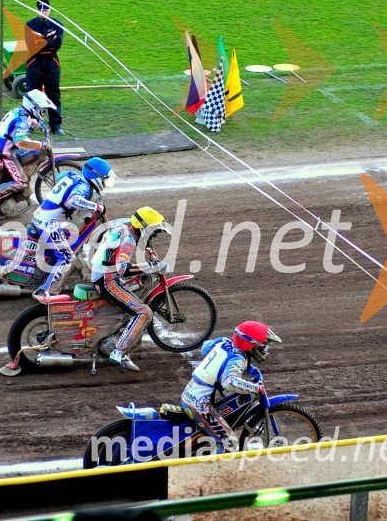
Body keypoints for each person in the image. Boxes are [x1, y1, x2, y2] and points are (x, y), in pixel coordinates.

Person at [89, 207, 171, 372]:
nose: (152, 235)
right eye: (152, 232)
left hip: (101, 272)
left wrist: (148, 250)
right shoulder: (128, 240)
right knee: (144, 312)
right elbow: (123, 269)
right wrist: (150, 266)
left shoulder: (125, 226)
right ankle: (118, 352)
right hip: (107, 280)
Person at [181, 321, 282, 453]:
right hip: (198, 403)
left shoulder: (223, 342)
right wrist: (255, 388)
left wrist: (250, 369)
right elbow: (229, 382)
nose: (265, 349)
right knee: (229, 442)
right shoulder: (238, 359)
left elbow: (205, 348)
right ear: (251, 346)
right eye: (262, 345)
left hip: (190, 394)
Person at [29, 157, 117, 297]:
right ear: (97, 177)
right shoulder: (84, 187)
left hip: (43, 217)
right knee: (66, 257)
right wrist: (96, 207)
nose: (105, 184)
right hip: (49, 223)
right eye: (104, 180)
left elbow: (61, 176)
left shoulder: (73, 176)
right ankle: (47, 292)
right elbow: (74, 200)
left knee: (68, 239)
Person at [0, 89, 56, 216]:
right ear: (33, 108)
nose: (43, 112)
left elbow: (24, 124)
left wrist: (37, 124)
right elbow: (20, 142)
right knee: (22, 182)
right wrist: (39, 145)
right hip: (4, 154)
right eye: (42, 109)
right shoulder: (23, 120)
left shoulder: (20, 112)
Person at [26, 0, 65, 136]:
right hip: (34, 62)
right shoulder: (30, 25)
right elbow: (32, 46)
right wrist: (48, 40)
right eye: (41, 10)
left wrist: (41, 40)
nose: (44, 12)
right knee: (32, 94)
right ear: (37, 10)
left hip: (51, 62)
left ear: (50, 9)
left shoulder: (58, 24)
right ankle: (30, 124)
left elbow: (57, 44)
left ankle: (56, 125)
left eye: (46, 10)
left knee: (53, 93)